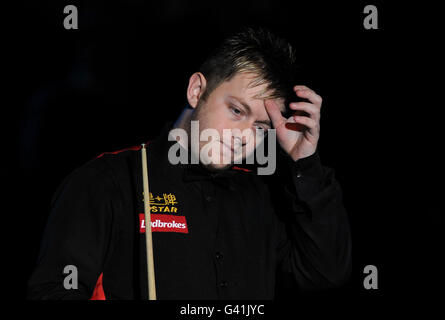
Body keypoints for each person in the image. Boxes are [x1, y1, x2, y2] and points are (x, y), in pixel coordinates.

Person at [27, 27, 352, 300]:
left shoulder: (261, 196)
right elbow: (53, 292)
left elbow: (325, 274)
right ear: (197, 90)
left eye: (260, 127)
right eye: (237, 111)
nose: (243, 136)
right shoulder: (107, 180)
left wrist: (304, 163)